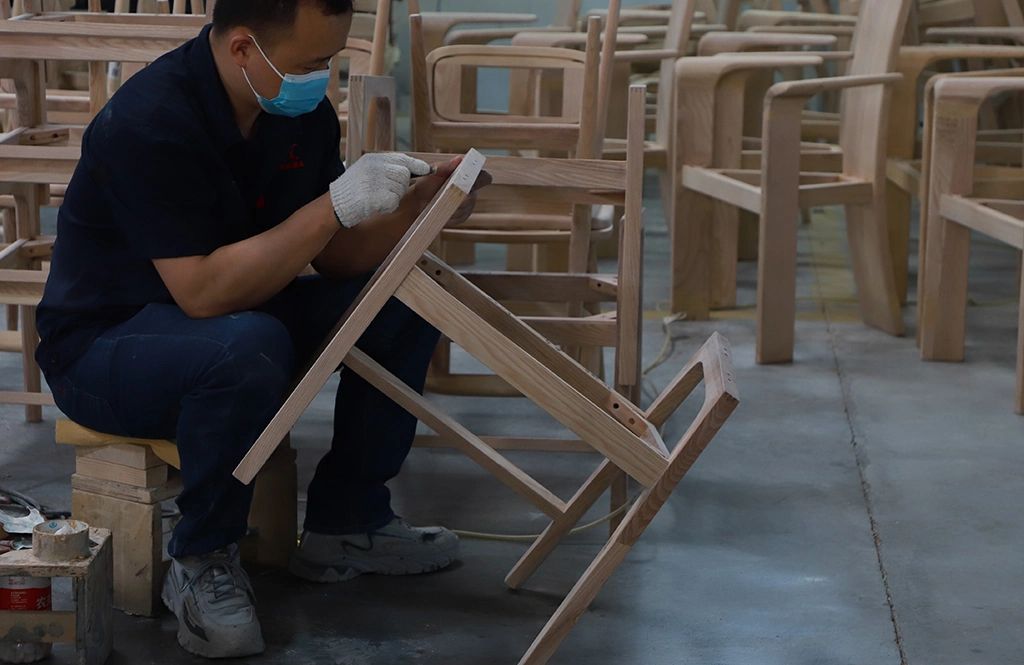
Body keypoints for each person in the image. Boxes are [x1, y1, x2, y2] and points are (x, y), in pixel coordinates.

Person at [35, 0, 490, 657]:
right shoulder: (149, 119)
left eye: (331, 62)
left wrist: (420, 210)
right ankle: (201, 560)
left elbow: (334, 257)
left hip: (233, 317)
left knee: (399, 297)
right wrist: (335, 206)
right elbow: (203, 292)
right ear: (244, 48)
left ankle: (350, 519)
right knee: (247, 345)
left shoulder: (299, 114)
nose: (323, 81)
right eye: (311, 64)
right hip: (105, 345)